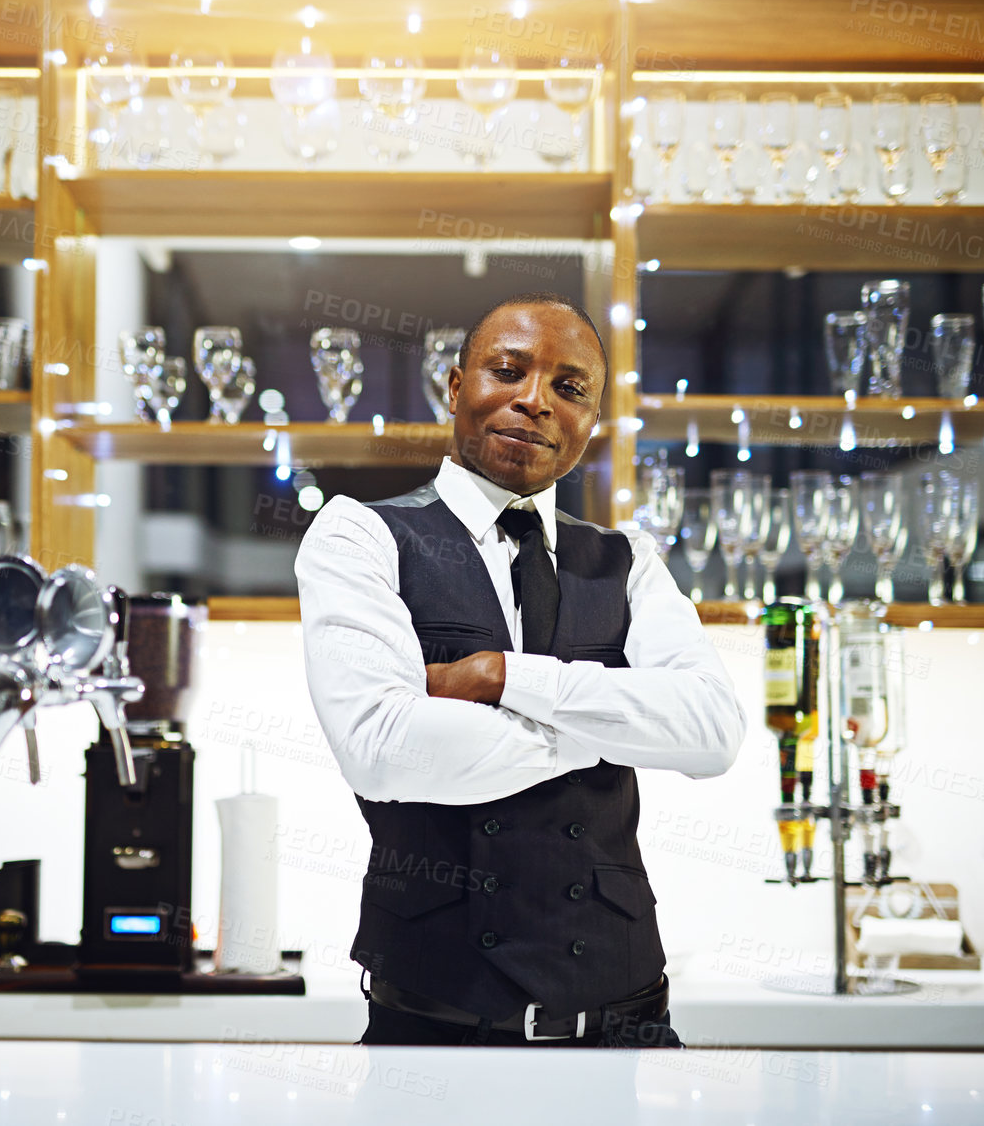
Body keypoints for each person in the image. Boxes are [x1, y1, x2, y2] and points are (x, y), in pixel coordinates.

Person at [295, 291, 746, 1047]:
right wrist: (614, 727)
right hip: (436, 1031)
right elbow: (381, 748)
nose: (533, 400)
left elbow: (710, 733)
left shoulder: (626, 558)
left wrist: (504, 677)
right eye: (506, 371)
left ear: (591, 420)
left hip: (625, 1020)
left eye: (568, 388)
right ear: (454, 386)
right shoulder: (361, 534)